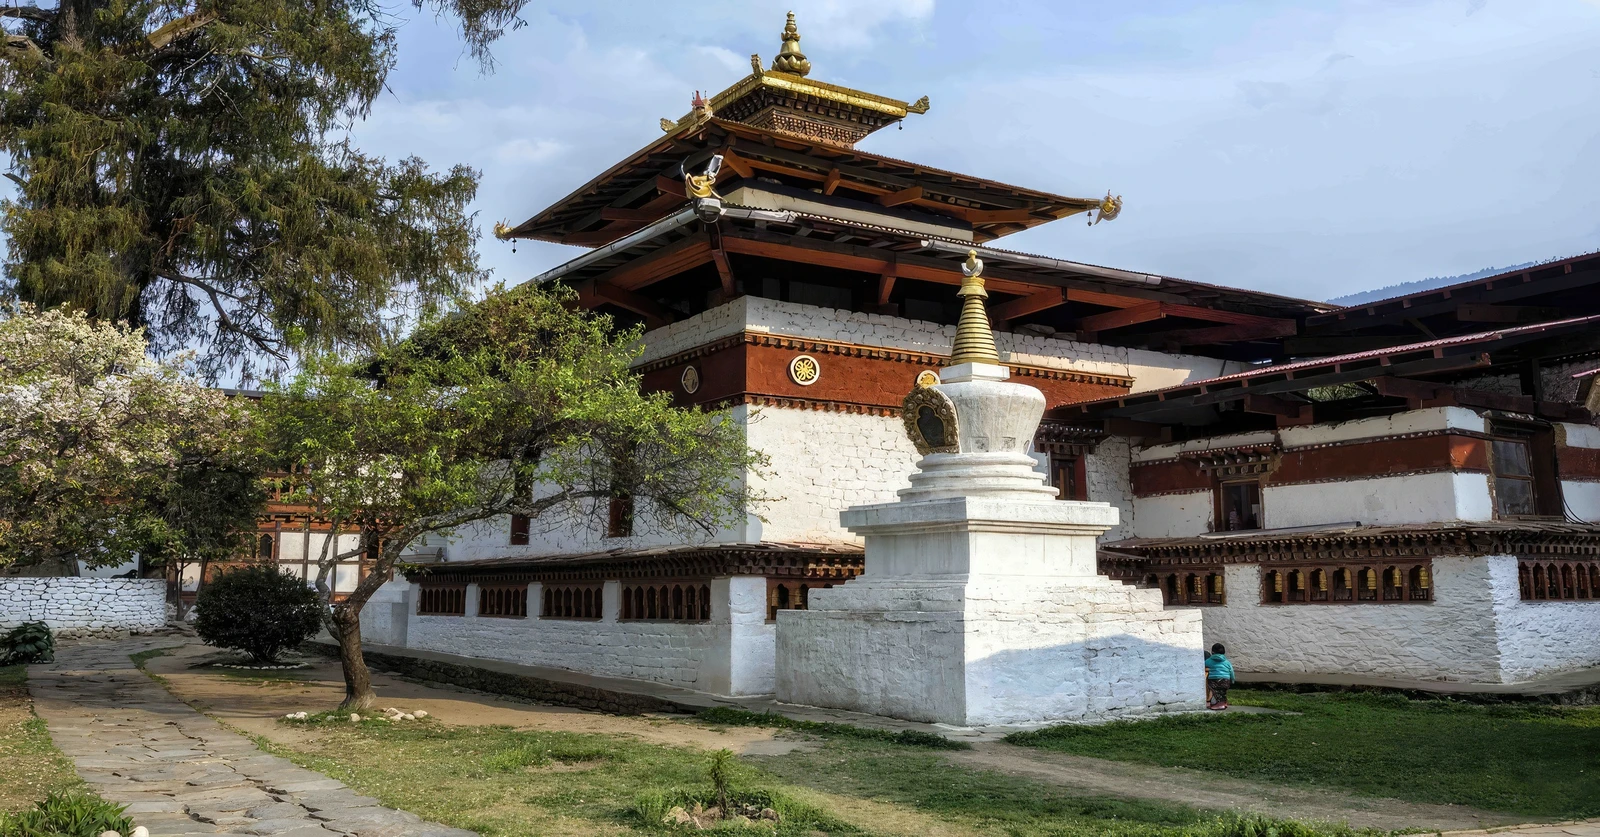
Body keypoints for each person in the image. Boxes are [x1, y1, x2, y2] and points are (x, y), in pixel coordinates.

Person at [1204, 643, 1234, 710]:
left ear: (1212, 652)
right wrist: (1232, 679)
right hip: (1226, 680)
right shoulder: (1227, 662)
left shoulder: (1209, 661)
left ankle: (1219, 705)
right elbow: (1231, 671)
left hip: (1214, 681)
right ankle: (1224, 703)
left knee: (1216, 692)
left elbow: (1203, 666)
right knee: (1223, 692)